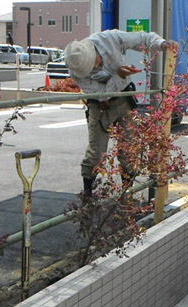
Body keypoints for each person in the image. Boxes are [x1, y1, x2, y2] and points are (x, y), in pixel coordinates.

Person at [65, 30, 179, 196]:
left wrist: (161, 44)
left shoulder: (108, 39)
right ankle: (88, 194)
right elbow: (102, 93)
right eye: (89, 69)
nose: (95, 68)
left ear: (93, 50)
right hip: (99, 105)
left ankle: (127, 193)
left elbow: (142, 38)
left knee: (129, 150)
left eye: (94, 63)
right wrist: (118, 75)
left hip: (125, 99)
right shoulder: (76, 71)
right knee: (96, 154)